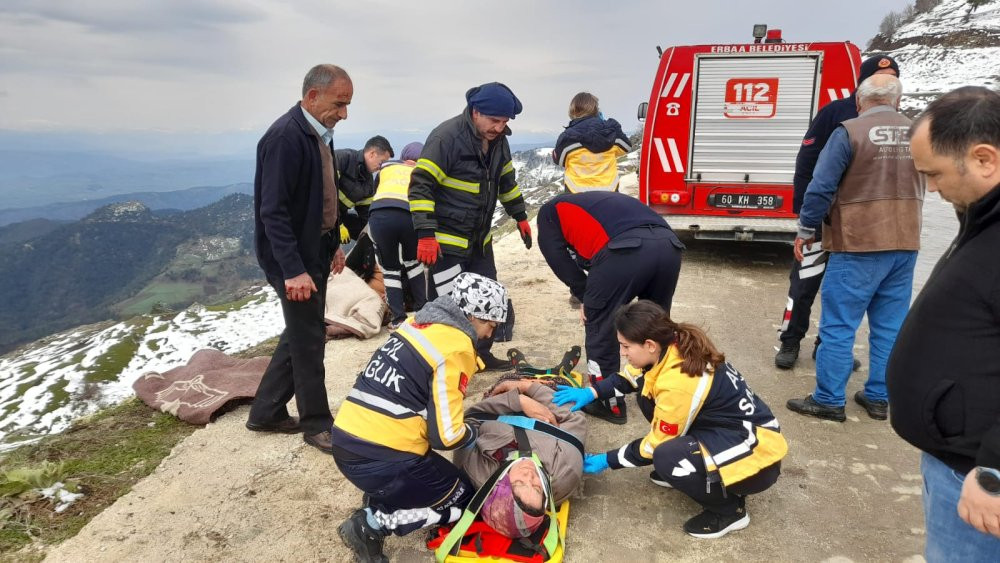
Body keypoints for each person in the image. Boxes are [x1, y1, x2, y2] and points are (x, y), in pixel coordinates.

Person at [553, 300, 787, 539]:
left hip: (756, 461)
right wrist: (592, 392)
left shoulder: (678, 382)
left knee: (665, 456)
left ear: (649, 344)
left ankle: (729, 511)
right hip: (732, 431)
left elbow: (653, 445)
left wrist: (608, 460)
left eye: (625, 346)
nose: (622, 353)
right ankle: (690, 466)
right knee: (647, 397)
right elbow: (631, 377)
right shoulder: (670, 346)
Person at [887, 86, 1000, 560]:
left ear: (983, 159)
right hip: (958, 465)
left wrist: (993, 470)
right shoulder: (984, 218)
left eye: (933, 174)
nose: (931, 188)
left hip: (979, 481)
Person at [332, 273, 513, 562]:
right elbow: (446, 436)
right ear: (470, 314)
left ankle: (387, 494)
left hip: (345, 441)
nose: (489, 335)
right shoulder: (456, 347)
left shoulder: (417, 323)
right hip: (380, 455)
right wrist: (475, 431)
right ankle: (372, 523)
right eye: (489, 325)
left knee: (430, 476)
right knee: (463, 497)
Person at [785, 74, 923, 423]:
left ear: (860, 101)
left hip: (858, 243)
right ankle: (878, 397)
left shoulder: (849, 131)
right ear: (898, 100)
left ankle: (830, 399)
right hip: (906, 242)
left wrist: (805, 230)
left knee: (839, 325)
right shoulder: (919, 132)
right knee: (890, 327)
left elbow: (820, 186)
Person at [246, 64, 350, 454]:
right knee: (308, 339)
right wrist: (293, 270)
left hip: (315, 249)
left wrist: (334, 241)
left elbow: (325, 192)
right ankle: (317, 423)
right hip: (293, 259)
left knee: (301, 331)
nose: (344, 113)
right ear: (312, 96)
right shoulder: (285, 137)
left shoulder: (319, 133)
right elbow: (272, 212)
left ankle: (267, 411)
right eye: (339, 104)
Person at [774, 55, 901, 369]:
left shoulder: (898, 122)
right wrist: (807, 217)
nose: (888, 82)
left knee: (846, 293)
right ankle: (790, 342)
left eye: (894, 76)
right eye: (880, 76)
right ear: (863, 82)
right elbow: (807, 164)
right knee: (804, 284)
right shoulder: (835, 113)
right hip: (824, 220)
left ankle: (827, 346)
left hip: (859, 229)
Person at [409, 82, 531, 371]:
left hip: (479, 239)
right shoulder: (446, 137)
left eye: (504, 122)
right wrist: (426, 234)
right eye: (494, 120)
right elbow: (420, 187)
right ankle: (440, 362)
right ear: (476, 112)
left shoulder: (500, 141)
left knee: (487, 298)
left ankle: (479, 356)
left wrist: (520, 215)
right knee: (446, 304)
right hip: (447, 241)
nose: (499, 128)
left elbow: (506, 183)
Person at [537, 191, 683, 424]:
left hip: (623, 251)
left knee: (600, 327)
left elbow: (557, 258)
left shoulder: (548, 213)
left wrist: (585, 295)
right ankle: (660, 390)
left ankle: (609, 403)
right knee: (656, 326)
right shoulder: (596, 204)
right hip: (669, 246)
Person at [454, 379, 586, 512]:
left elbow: (467, 423)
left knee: (503, 383)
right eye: (537, 488)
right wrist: (528, 387)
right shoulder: (564, 473)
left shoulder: (477, 473)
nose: (529, 476)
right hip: (547, 397)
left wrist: (516, 401)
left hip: (496, 403)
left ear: (502, 485)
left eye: (519, 483)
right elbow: (574, 418)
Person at [368, 141, 427, 329]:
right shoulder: (423, 172)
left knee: (390, 269)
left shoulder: (387, 167)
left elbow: (376, 192)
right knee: (413, 264)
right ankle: (422, 311)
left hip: (379, 216)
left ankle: (398, 319)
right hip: (408, 215)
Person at [552, 91, 632, 194]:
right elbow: (627, 147)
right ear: (596, 110)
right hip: (609, 194)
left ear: (572, 111)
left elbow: (558, 160)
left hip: (576, 195)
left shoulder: (567, 137)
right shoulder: (611, 131)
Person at [335, 135, 394, 242]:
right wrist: (337, 224)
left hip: (339, 216)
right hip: (318, 211)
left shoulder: (368, 182)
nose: (381, 168)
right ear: (372, 154)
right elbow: (323, 193)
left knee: (367, 233)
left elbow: (365, 215)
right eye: (381, 162)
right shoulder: (343, 159)